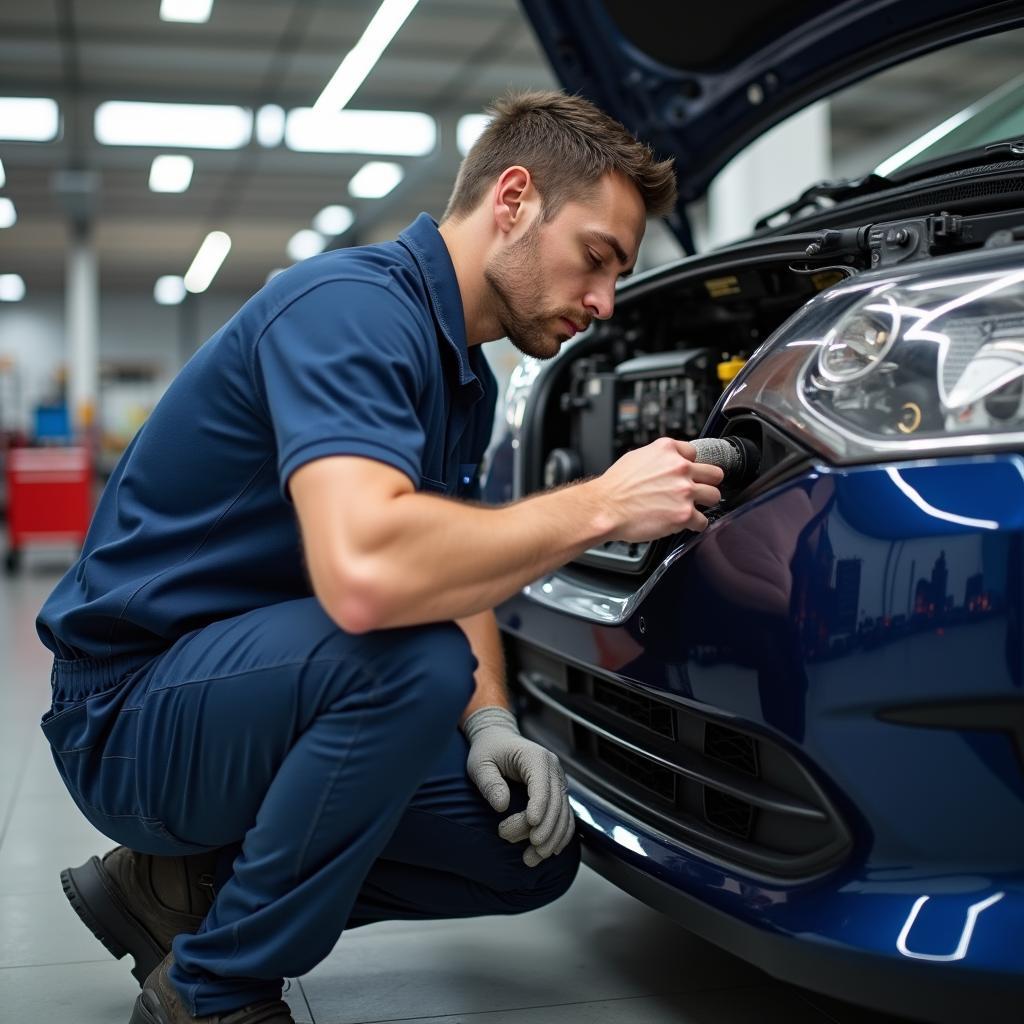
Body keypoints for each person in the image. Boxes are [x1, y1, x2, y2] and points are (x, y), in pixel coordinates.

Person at [36, 90, 724, 1024]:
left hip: (248, 690)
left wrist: (492, 722)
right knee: (408, 658)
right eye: (595, 258)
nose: (604, 303)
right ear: (513, 199)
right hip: (130, 710)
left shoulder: (461, 378)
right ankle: (212, 994)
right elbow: (370, 575)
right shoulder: (351, 308)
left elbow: (453, 565)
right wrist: (603, 505)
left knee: (525, 850)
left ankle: (178, 888)